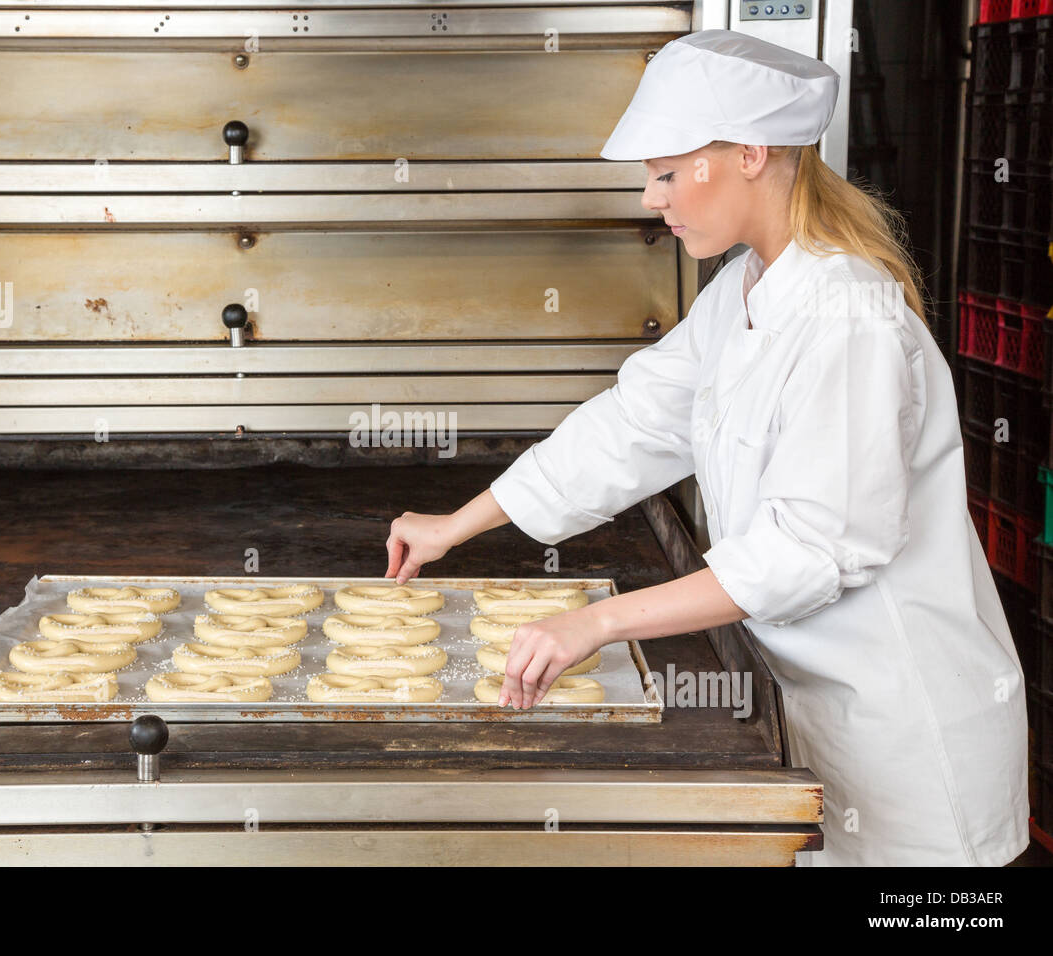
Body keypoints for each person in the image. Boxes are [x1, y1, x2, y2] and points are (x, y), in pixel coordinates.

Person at [382, 29, 1029, 866]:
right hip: (814, 718)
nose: (654, 199)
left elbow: (807, 547)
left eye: (666, 173)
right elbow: (634, 423)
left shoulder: (848, 320)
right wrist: (455, 525)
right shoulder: (746, 291)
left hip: (907, 740)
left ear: (750, 153)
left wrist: (598, 623)